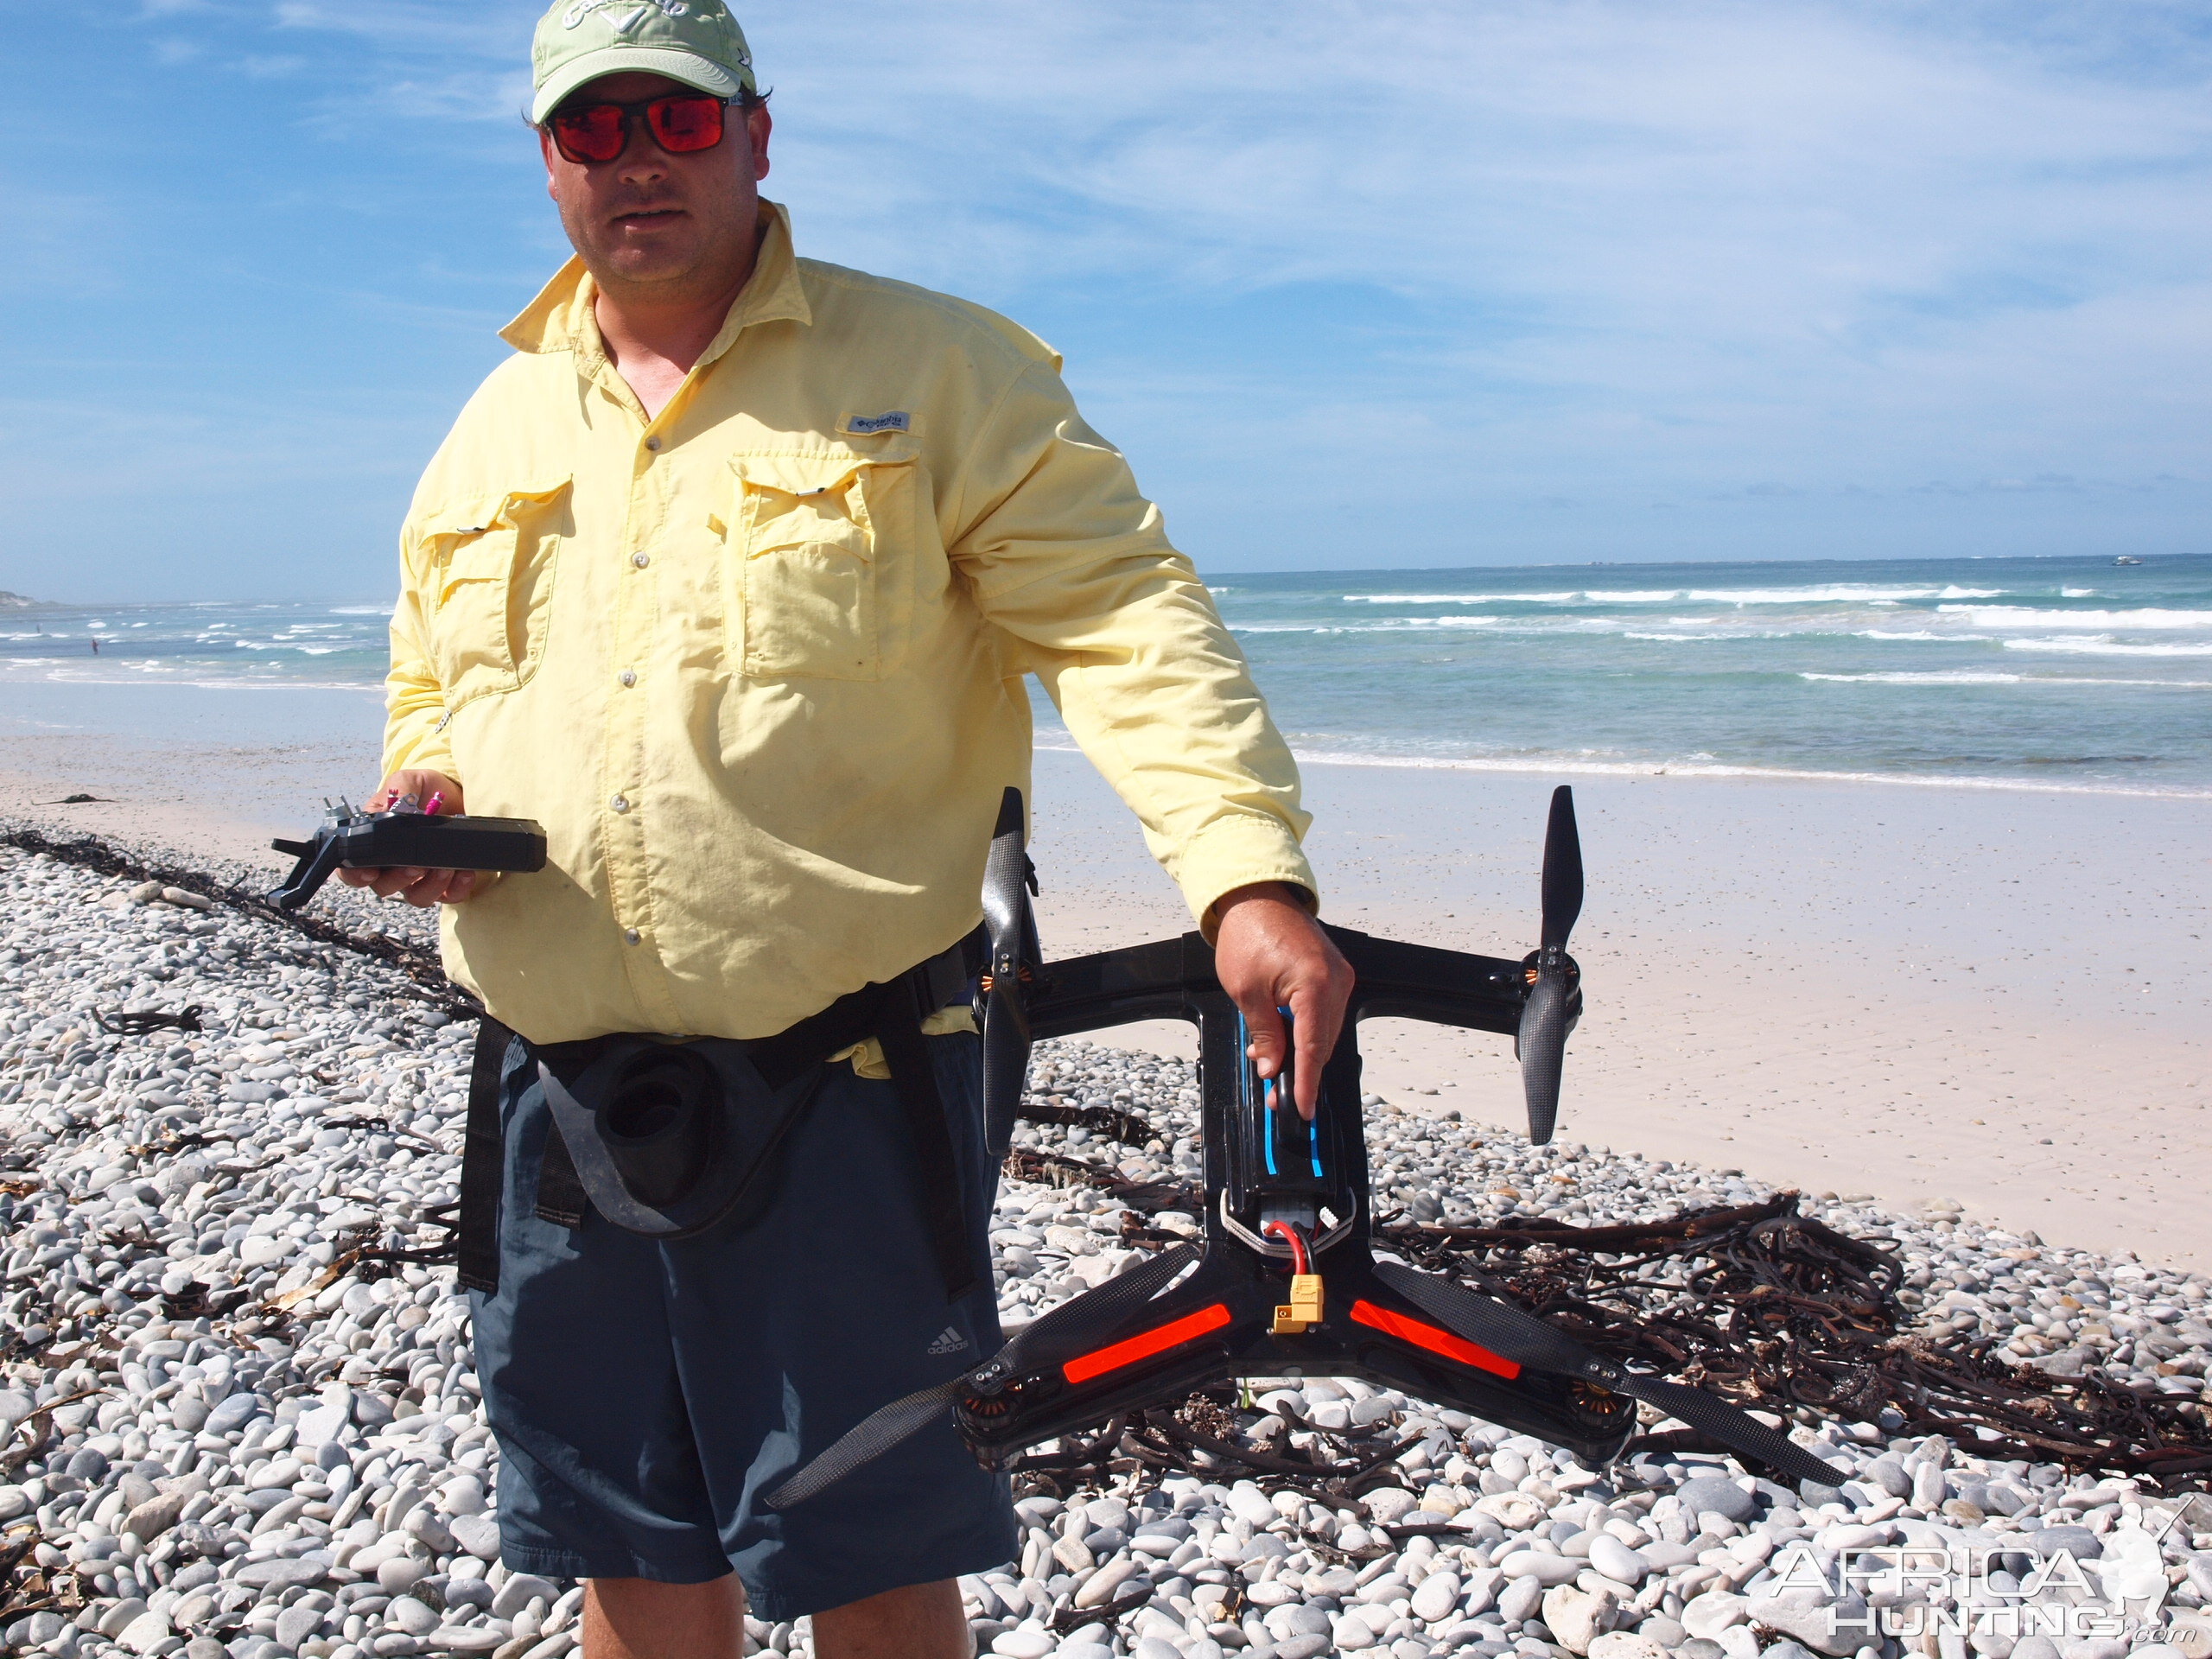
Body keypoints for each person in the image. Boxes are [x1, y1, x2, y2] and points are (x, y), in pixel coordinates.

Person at [340, 3, 1353, 1656]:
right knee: (636, 1555)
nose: (636, 162)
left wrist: (1243, 874)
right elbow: (431, 686)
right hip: (554, 1084)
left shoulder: (938, 368)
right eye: (594, 131)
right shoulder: (493, 427)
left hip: (847, 1076)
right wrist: (429, 796)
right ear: (546, 164)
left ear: (754, 131)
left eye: (673, 122)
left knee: (868, 1557)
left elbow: (1121, 618)